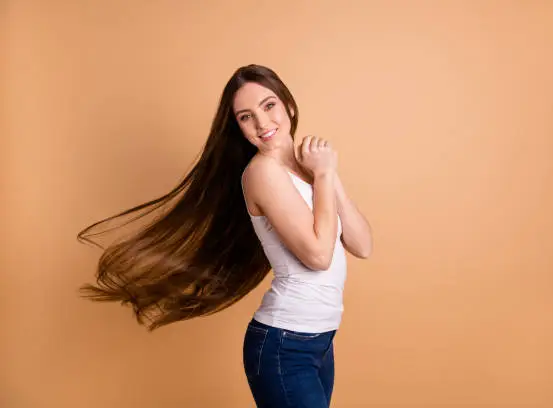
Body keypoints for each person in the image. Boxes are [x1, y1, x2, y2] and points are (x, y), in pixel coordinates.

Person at [78, 64, 372, 407]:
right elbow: (319, 256)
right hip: (285, 347)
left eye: (268, 105)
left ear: (288, 105)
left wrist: (328, 175)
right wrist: (323, 175)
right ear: (237, 127)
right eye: (245, 117)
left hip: (320, 341)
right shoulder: (262, 173)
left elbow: (362, 245)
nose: (262, 123)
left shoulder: (311, 169)